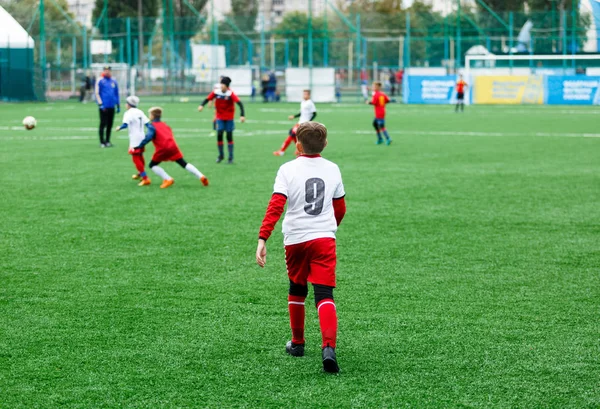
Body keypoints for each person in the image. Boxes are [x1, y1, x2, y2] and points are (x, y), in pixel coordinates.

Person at [256, 121, 347, 374]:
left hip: (295, 239)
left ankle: (297, 343)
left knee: (297, 287)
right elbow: (340, 208)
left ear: (297, 145)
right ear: (325, 144)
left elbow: (276, 205)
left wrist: (263, 238)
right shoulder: (333, 169)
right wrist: (329, 228)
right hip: (323, 240)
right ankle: (328, 348)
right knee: (324, 295)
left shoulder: (287, 169)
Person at [133, 107, 209, 189]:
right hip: (173, 147)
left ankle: (168, 179)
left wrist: (139, 146)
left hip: (163, 148)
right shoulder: (165, 125)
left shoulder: (152, 126)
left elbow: (148, 137)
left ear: (152, 116)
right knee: (183, 163)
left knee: (152, 165)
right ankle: (201, 176)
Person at [197, 76, 246, 164]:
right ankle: (221, 155)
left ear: (227, 86)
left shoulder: (230, 94)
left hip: (229, 118)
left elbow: (240, 104)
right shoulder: (216, 92)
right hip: (219, 117)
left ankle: (230, 157)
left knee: (229, 136)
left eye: (223, 84)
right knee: (219, 134)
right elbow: (208, 98)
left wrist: (242, 115)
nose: (221, 86)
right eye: (221, 84)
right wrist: (201, 105)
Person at [115, 96, 151, 186]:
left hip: (135, 139)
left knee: (135, 158)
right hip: (142, 137)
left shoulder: (128, 113)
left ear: (129, 104)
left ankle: (145, 178)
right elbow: (148, 124)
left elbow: (125, 124)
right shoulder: (140, 112)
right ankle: (140, 174)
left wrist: (119, 128)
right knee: (140, 155)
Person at [273, 89, 317, 157]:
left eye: (306, 94)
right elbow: (302, 113)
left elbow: (314, 114)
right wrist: (294, 116)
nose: (304, 95)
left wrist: (308, 122)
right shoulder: (303, 102)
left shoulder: (310, 103)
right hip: (300, 122)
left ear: (309, 95)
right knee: (293, 134)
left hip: (304, 123)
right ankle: (299, 150)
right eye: (303, 94)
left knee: (291, 134)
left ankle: (282, 151)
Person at [95, 66, 120, 148]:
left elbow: (116, 94)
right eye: (105, 70)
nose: (107, 72)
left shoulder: (113, 81)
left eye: (108, 70)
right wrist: (100, 104)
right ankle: (102, 141)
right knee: (103, 123)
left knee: (110, 124)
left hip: (111, 106)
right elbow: (97, 93)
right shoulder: (100, 81)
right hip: (104, 106)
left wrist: (118, 104)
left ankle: (108, 141)